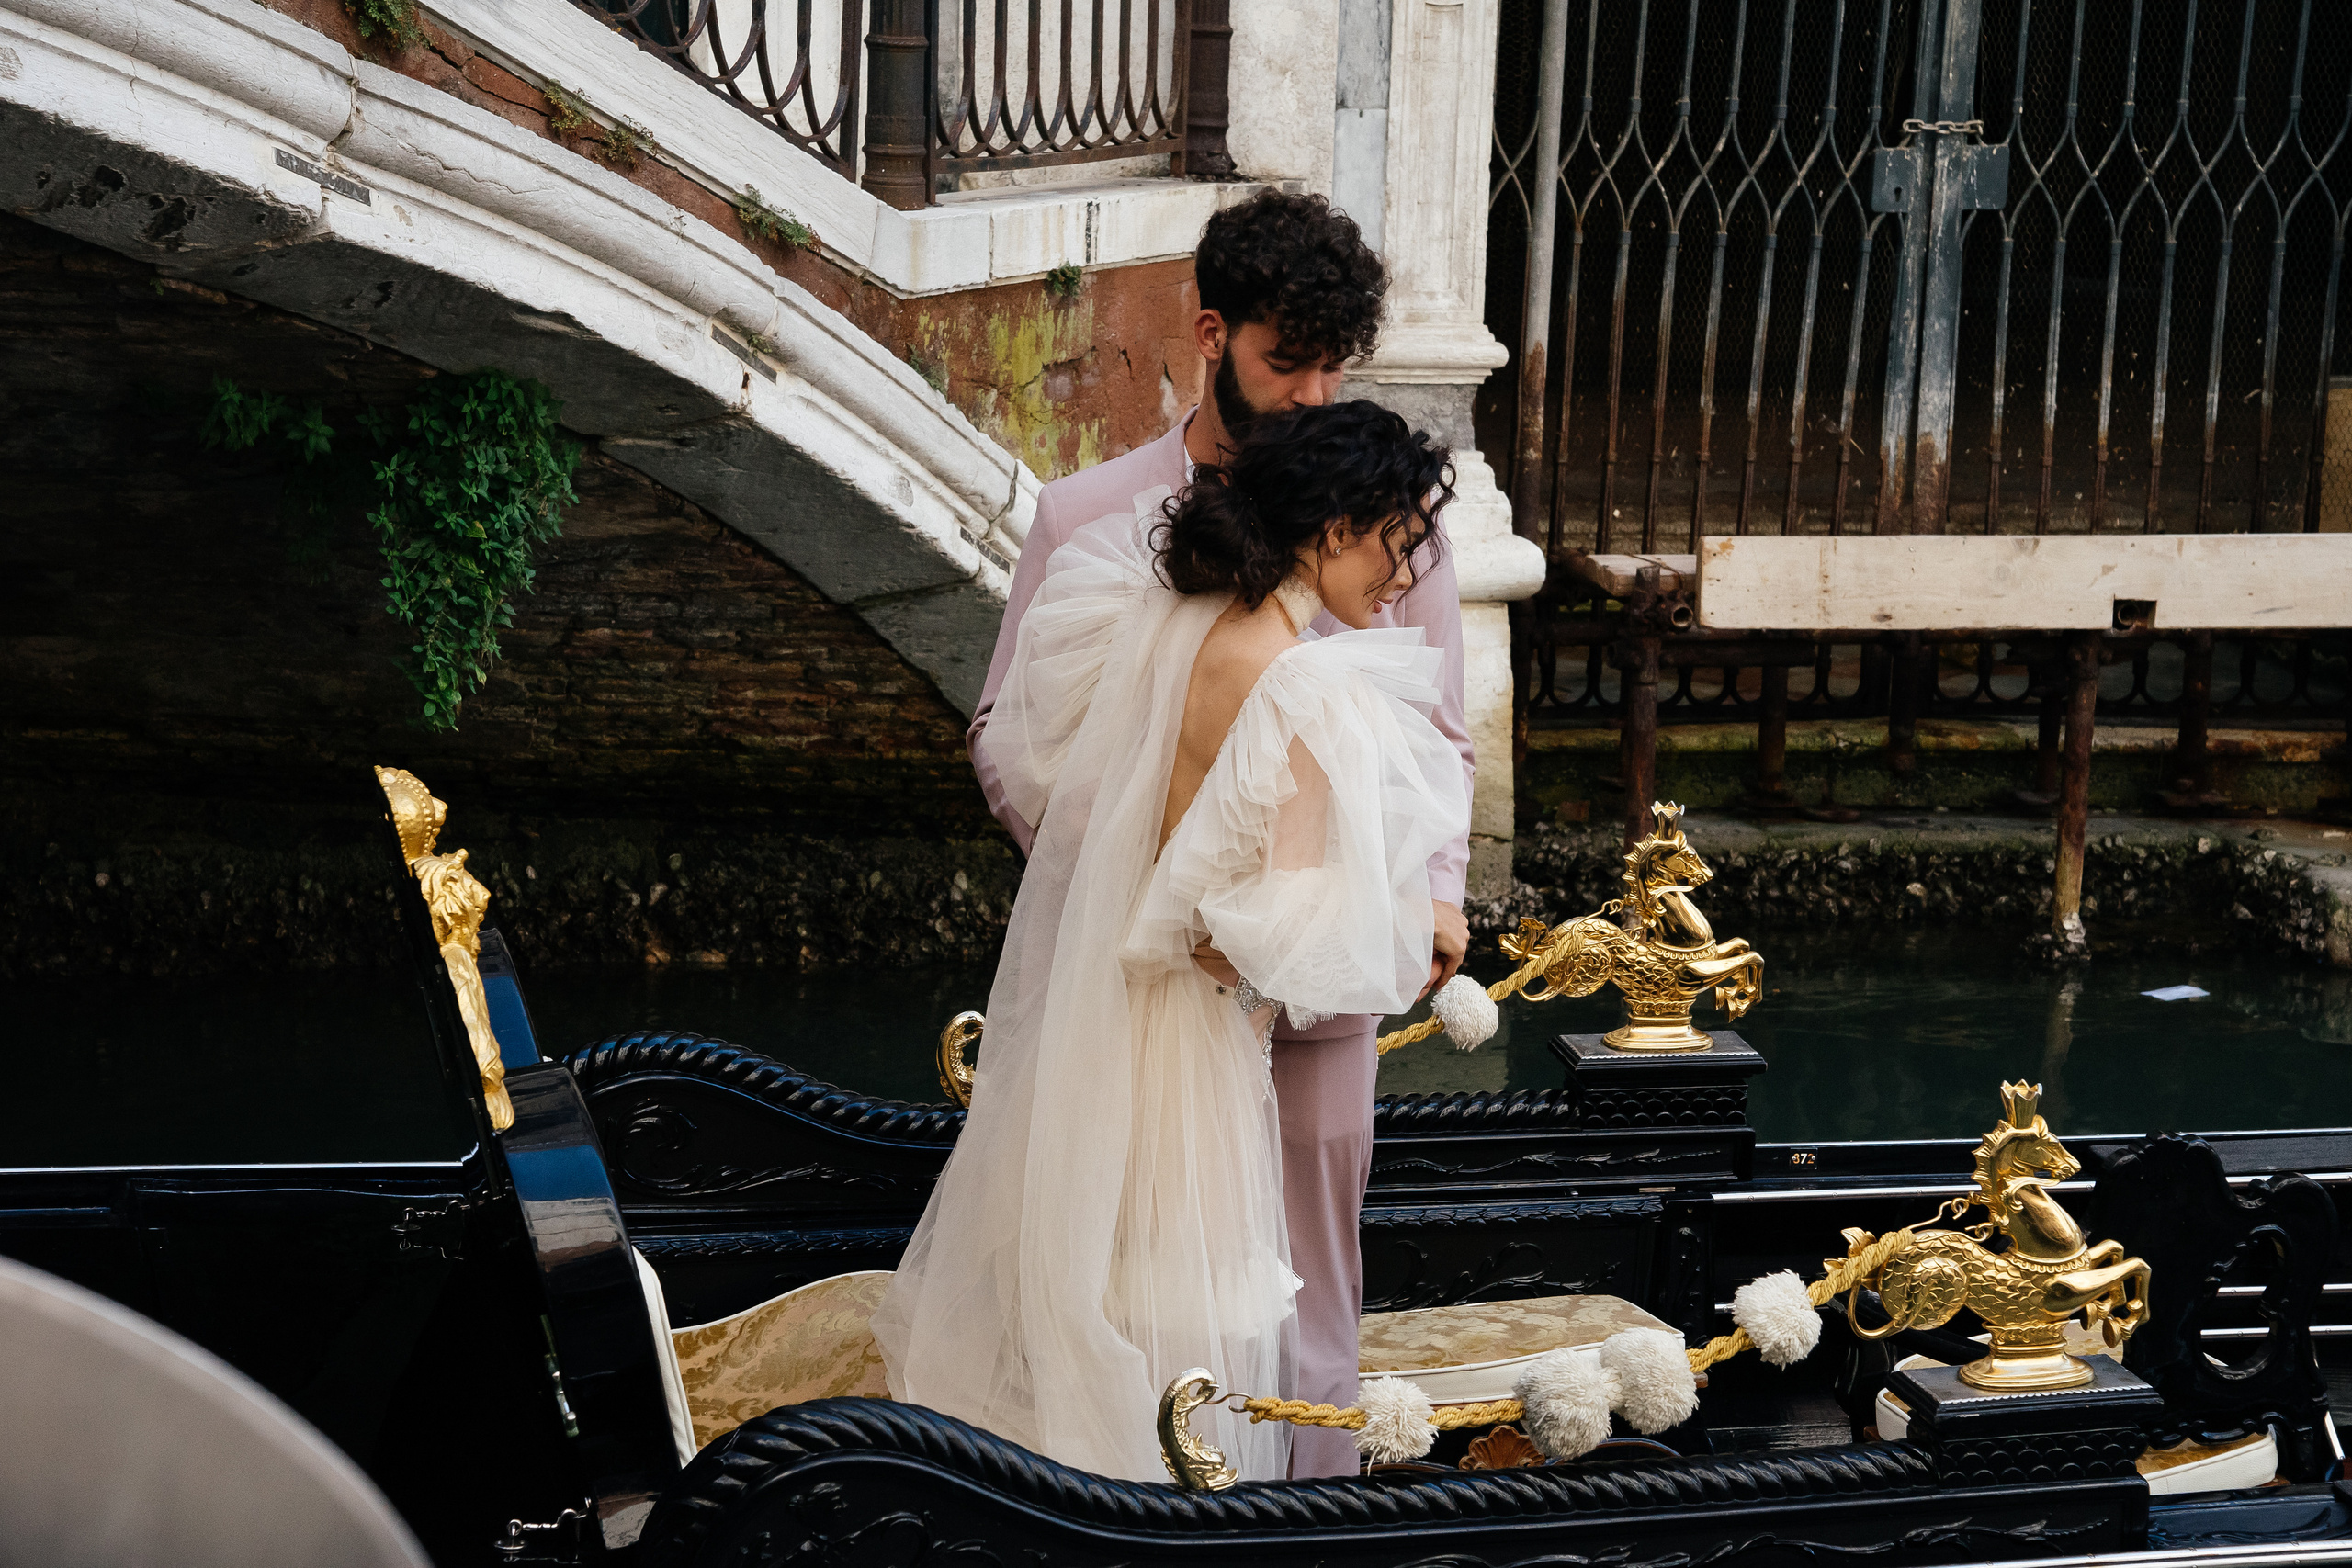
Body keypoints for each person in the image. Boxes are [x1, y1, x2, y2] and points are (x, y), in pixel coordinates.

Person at [963, 189, 1475, 1478]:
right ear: (1210, 334)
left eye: (1334, 367)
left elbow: (1444, 741)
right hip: (1149, 991)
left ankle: (1312, 1523)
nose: (1313, 395)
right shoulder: (1087, 514)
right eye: (1286, 361)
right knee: (1131, 1277)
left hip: (1327, 996)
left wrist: (1436, 898)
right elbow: (1004, 741)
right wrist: (1144, 881)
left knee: (1311, 1297)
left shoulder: (1394, 528)